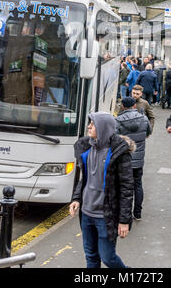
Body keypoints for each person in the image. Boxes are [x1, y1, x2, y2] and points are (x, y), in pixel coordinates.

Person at [69, 112, 135, 268]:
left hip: (105, 216)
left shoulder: (119, 153)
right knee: (91, 257)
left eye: (93, 124)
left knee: (108, 257)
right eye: (89, 123)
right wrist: (76, 198)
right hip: (86, 213)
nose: (89, 126)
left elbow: (127, 188)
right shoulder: (85, 148)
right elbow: (84, 178)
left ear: (103, 128)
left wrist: (124, 220)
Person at [115, 97, 151, 221]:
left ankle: (126, 213)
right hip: (139, 159)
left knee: (123, 187)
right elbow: (148, 132)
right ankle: (138, 213)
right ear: (134, 106)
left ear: (123, 106)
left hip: (124, 160)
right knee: (138, 185)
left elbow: (115, 139)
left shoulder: (118, 120)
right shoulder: (144, 118)